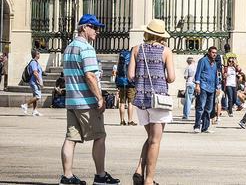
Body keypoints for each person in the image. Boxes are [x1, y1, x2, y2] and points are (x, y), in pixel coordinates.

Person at [60, 14, 119, 185]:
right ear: (84, 27)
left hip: (72, 100)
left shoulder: (69, 48)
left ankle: (67, 176)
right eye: (94, 27)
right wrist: (99, 98)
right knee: (99, 136)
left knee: (71, 138)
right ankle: (100, 176)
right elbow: (90, 75)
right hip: (86, 102)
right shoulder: (86, 48)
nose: (97, 31)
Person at [127, 19, 174, 185]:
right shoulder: (166, 51)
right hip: (158, 101)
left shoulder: (135, 49)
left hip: (141, 100)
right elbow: (172, 77)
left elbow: (130, 75)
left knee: (150, 138)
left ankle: (140, 168)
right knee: (155, 141)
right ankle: (149, 179)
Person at [193, 46, 221, 133]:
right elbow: (198, 72)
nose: (214, 54)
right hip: (203, 86)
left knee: (208, 109)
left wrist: (217, 87)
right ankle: (197, 126)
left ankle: (205, 127)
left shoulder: (215, 63)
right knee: (201, 106)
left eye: (215, 53)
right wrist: (197, 85)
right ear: (209, 52)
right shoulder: (203, 61)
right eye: (213, 52)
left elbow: (216, 76)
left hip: (212, 88)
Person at [112, 48, 137, 126]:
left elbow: (115, 71)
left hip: (121, 82)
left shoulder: (121, 58)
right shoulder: (132, 58)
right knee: (130, 102)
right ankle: (130, 120)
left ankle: (122, 120)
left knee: (122, 102)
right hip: (131, 82)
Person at [20, 49, 44, 117]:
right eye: (38, 53)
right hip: (34, 82)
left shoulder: (36, 62)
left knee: (35, 96)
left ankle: (34, 111)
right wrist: (40, 81)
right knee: (38, 96)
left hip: (35, 82)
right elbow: (35, 73)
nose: (39, 55)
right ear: (36, 55)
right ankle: (25, 105)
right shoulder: (33, 62)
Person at [181, 57, 196, 121]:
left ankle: (186, 115)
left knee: (188, 100)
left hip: (189, 83)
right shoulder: (196, 67)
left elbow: (185, 76)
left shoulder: (188, 67)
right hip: (195, 84)